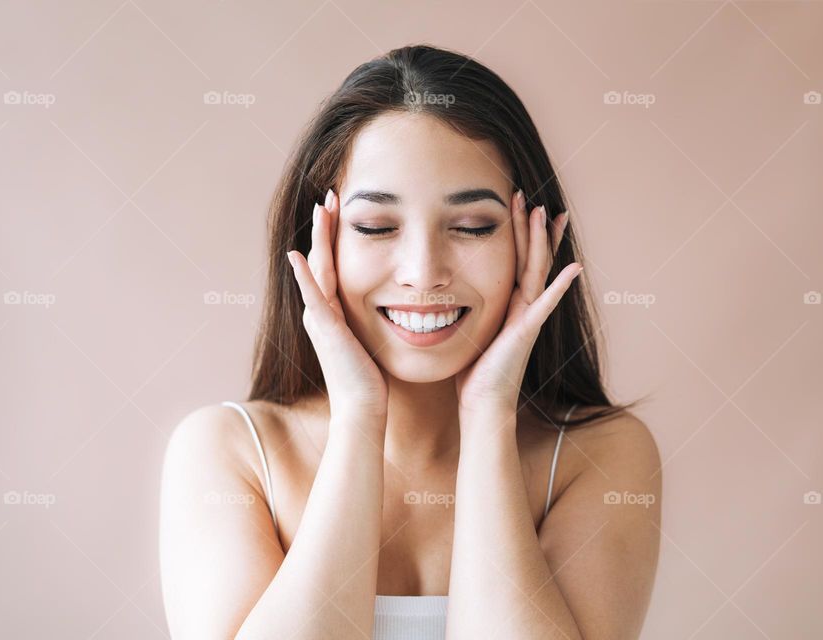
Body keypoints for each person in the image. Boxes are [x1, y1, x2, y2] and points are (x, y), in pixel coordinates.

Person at [159, 44, 662, 640]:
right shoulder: (230, 452)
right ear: (321, 243)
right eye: (376, 227)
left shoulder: (600, 456)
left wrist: (488, 416)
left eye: (472, 226)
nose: (423, 273)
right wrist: (358, 418)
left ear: (534, 243)